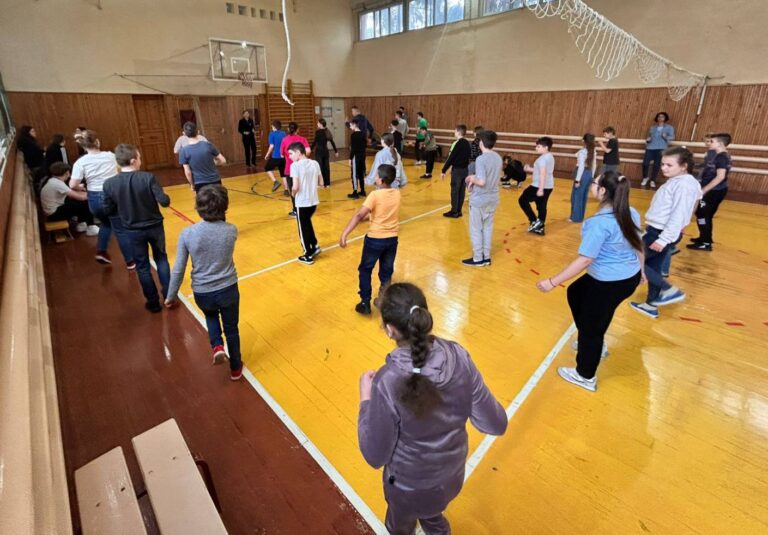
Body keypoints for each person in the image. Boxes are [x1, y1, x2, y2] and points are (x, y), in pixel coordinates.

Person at [358, 282, 507, 535]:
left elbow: (375, 455)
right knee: (431, 512)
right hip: (451, 477)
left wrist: (365, 399)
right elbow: (496, 423)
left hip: (408, 488)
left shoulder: (388, 381)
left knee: (399, 526)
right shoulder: (458, 356)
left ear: (390, 330)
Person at [537, 171, 643, 392]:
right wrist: (641, 271)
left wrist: (552, 282)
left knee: (591, 327)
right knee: (576, 292)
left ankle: (585, 375)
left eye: (594, 183)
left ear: (603, 191)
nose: (591, 185)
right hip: (627, 278)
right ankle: (593, 339)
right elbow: (638, 244)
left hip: (608, 282)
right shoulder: (630, 212)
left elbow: (585, 260)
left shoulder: (598, 223)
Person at [165, 185, 243, 381]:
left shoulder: (187, 234)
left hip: (203, 291)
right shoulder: (231, 230)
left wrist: (171, 296)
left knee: (210, 315)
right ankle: (235, 368)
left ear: (198, 207)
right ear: (225, 207)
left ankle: (217, 345)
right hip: (228, 288)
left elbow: (178, 268)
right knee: (232, 328)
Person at [630, 147, 701, 319]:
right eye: (662, 164)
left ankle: (669, 289)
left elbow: (679, 213)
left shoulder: (684, 185)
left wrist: (664, 239)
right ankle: (651, 305)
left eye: (669, 165)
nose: (664, 168)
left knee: (632, 260)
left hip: (660, 233)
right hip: (660, 230)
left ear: (683, 166)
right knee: (654, 267)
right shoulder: (680, 181)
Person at [102, 144, 171, 313]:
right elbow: (164, 201)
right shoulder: (148, 178)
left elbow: (107, 209)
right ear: (133, 161)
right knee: (161, 259)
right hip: (154, 226)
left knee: (142, 266)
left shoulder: (110, 184)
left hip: (132, 230)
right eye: (139, 158)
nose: (140, 161)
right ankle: (169, 296)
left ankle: (153, 302)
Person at [341, 163, 401, 315]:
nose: (375, 178)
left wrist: (345, 233)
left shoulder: (375, 195)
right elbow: (382, 212)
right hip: (392, 239)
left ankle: (365, 302)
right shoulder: (396, 193)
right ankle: (383, 300)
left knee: (365, 269)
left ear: (381, 180)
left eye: (376, 175)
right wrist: (369, 217)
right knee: (386, 271)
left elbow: (359, 215)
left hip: (375, 239)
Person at [70, 129, 134, 267]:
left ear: (83, 146)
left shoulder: (80, 162)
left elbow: (73, 184)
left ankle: (101, 251)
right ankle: (130, 261)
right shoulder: (110, 156)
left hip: (94, 198)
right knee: (120, 229)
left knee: (106, 223)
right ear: (97, 142)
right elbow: (120, 169)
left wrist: (81, 187)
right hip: (112, 194)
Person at [463, 130, 502, 267]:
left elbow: (482, 181)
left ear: (481, 143)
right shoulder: (498, 157)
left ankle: (478, 258)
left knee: (476, 229)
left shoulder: (481, 159)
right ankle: (486, 256)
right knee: (487, 228)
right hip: (493, 198)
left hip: (480, 200)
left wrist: (471, 178)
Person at [688, 132, 732, 252]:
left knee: (703, 214)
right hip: (713, 190)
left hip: (713, 191)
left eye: (712, 141)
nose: (709, 143)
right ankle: (704, 238)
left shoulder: (722, 157)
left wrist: (704, 190)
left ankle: (705, 243)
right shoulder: (719, 156)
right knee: (704, 214)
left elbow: (720, 176)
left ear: (720, 143)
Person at [288, 142, 323, 264]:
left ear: (298, 152)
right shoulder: (315, 163)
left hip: (302, 203)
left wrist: (293, 194)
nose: (290, 157)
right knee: (307, 223)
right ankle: (315, 245)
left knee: (302, 229)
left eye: (291, 154)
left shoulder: (295, 166)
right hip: (313, 202)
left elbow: (295, 186)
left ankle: (307, 254)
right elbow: (321, 183)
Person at [40, 162, 94, 232]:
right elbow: (79, 197)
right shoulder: (58, 184)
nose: (69, 175)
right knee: (84, 202)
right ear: (66, 173)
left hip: (51, 211)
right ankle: (90, 226)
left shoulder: (53, 180)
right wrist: (95, 195)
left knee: (79, 202)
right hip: (53, 215)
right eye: (69, 172)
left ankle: (83, 224)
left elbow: (73, 194)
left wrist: (85, 193)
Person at [519, 137, 555, 236]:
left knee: (522, 200)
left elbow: (543, 174)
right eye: (536, 146)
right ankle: (540, 227)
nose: (536, 148)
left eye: (538, 146)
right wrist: (530, 169)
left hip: (538, 186)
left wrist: (540, 189)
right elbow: (542, 171)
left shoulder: (542, 159)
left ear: (546, 147)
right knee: (541, 205)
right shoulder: (550, 156)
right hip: (549, 186)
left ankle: (534, 220)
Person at [179, 122, 226, 192]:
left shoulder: (184, 151)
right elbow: (223, 161)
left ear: (184, 134)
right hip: (215, 180)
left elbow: (188, 172)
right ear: (198, 132)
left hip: (199, 183)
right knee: (219, 198)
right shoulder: (208, 145)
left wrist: (192, 184)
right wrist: (213, 163)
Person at [280, 122, 312, 216]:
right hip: (302, 168)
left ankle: (296, 210)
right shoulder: (302, 139)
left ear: (288, 129)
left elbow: (282, 155)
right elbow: (308, 151)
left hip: (289, 169)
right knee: (303, 188)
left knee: (293, 189)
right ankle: (305, 208)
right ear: (297, 130)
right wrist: (301, 157)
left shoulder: (284, 140)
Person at [440, 124, 471, 218]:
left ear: (458, 132)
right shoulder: (467, 143)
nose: (454, 133)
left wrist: (444, 170)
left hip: (457, 171)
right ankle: (458, 211)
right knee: (461, 191)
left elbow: (451, 157)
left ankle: (454, 212)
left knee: (455, 191)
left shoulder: (458, 143)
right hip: (465, 170)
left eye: (455, 131)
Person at [641, 112, 675, 188]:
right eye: (659, 116)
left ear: (665, 118)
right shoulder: (652, 128)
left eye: (662, 116)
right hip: (650, 147)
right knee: (645, 163)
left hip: (661, 148)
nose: (660, 118)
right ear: (657, 118)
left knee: (656, 165)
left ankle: (653, 180)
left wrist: (665, 137)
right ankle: (645, 177)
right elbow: (650, 138)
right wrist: (648, 140)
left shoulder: (669, 127)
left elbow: (672, 137)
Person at [569, 133, 596, 223]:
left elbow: (581, 167)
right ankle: (580, 216)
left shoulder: (582, 152)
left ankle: (575, 218)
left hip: (581, 174)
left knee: (576, 196)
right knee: (584, 196)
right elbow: (594, 165)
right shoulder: (593, 151)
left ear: (584, 140)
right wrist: (592, 177)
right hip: (588, 173)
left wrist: (577, 180)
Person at [311, 118, 338, 188]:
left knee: (320, 168)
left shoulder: (318, 132)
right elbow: (332, 142)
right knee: (326, 167)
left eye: (318, 123)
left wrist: (310, 149)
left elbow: (315, 142)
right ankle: (327, 183)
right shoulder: (327, 131)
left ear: (320, 124)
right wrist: (336, 151)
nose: (317, 124)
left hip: (319, 152)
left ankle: (321, 183)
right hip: (325, 152)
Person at [264, 120, 287, 193]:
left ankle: (275, 181)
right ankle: (286, 190)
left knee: (267, 168)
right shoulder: (284, 133)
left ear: (274, 127)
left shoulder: (272, 134)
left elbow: (271, 146)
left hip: (275, 157)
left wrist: (267, 154)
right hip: (283, 157)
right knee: (283, 174)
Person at [348, 119, 368, 199]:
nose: (350, 127)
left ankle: (355, 192)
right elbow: (365, 145)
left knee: (354, 174)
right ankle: (363, 191)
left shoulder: (353, 135)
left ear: (354, 125)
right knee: (361, 173)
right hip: (362, 156)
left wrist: (350, 158)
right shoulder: (363, 134)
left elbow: (353, 148)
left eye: (350, 125)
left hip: (356, 157)